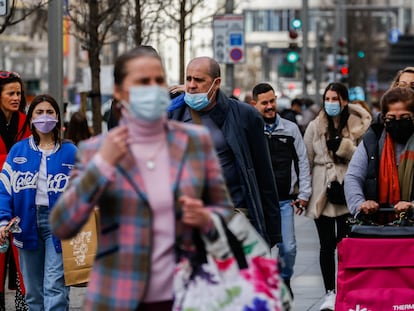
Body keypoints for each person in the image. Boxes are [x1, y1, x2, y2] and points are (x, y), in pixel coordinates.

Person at [50, 46, 234, 311]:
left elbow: (223, 216)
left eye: (158, 81)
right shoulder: (95, 151)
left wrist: (205, 218)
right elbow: (64, 224)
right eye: (141, 82)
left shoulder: (195, 143)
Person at [167, 56, 281, 248]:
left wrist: (272, 232)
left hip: (235, 219)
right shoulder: (173, 116)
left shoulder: (245, 116)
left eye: (199, 80)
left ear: (216, 83)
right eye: (188, 79)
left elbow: (263, 175)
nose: (191, 85)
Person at [0, 94, 77, 310]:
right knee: (32, 292)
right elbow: (4, 189)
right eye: (39, 112)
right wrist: (2, 220)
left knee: (55, 287)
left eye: (50, 112)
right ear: (31, 118)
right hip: (25, 225)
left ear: (58, 117)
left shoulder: (70, 151)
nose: (45, 117)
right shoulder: (18, 151)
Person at [303, 82, 371, 311]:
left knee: (345, 244)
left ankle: (345, 289)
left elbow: (365, 158)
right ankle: (329, 293)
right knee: (325, 245)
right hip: (322, 189)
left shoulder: (358, 125)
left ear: (344, 100)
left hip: (347, 186)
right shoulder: (315, 125)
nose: (331, 103)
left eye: (335, 98)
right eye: (328, 98)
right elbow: (306, 159)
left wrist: (344, 147)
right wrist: (302, 192)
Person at [251, 82, 311, 298]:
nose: (269, 106)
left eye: (272, 101)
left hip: (285, 202)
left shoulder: (290, 128)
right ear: (254, 104)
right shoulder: (251, 129)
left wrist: (304, 194)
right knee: (262, 250)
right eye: (264, 103)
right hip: (258, 204)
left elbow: (302, 161)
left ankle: (283, 279)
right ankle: (267, 290)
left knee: (288, 248)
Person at [345, 87, 414, 222]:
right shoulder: (372, 141)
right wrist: (360, 204)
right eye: (391, 118)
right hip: (378, 226)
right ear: (383, 118)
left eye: (404, 117)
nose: (397, 122)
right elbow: (353, 176)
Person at [0, 70, 31, 311]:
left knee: (21, 253)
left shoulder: (24, 122)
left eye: (18, 93)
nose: (16, 97)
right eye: (10, 93)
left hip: (21, 195)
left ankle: (24, 302)